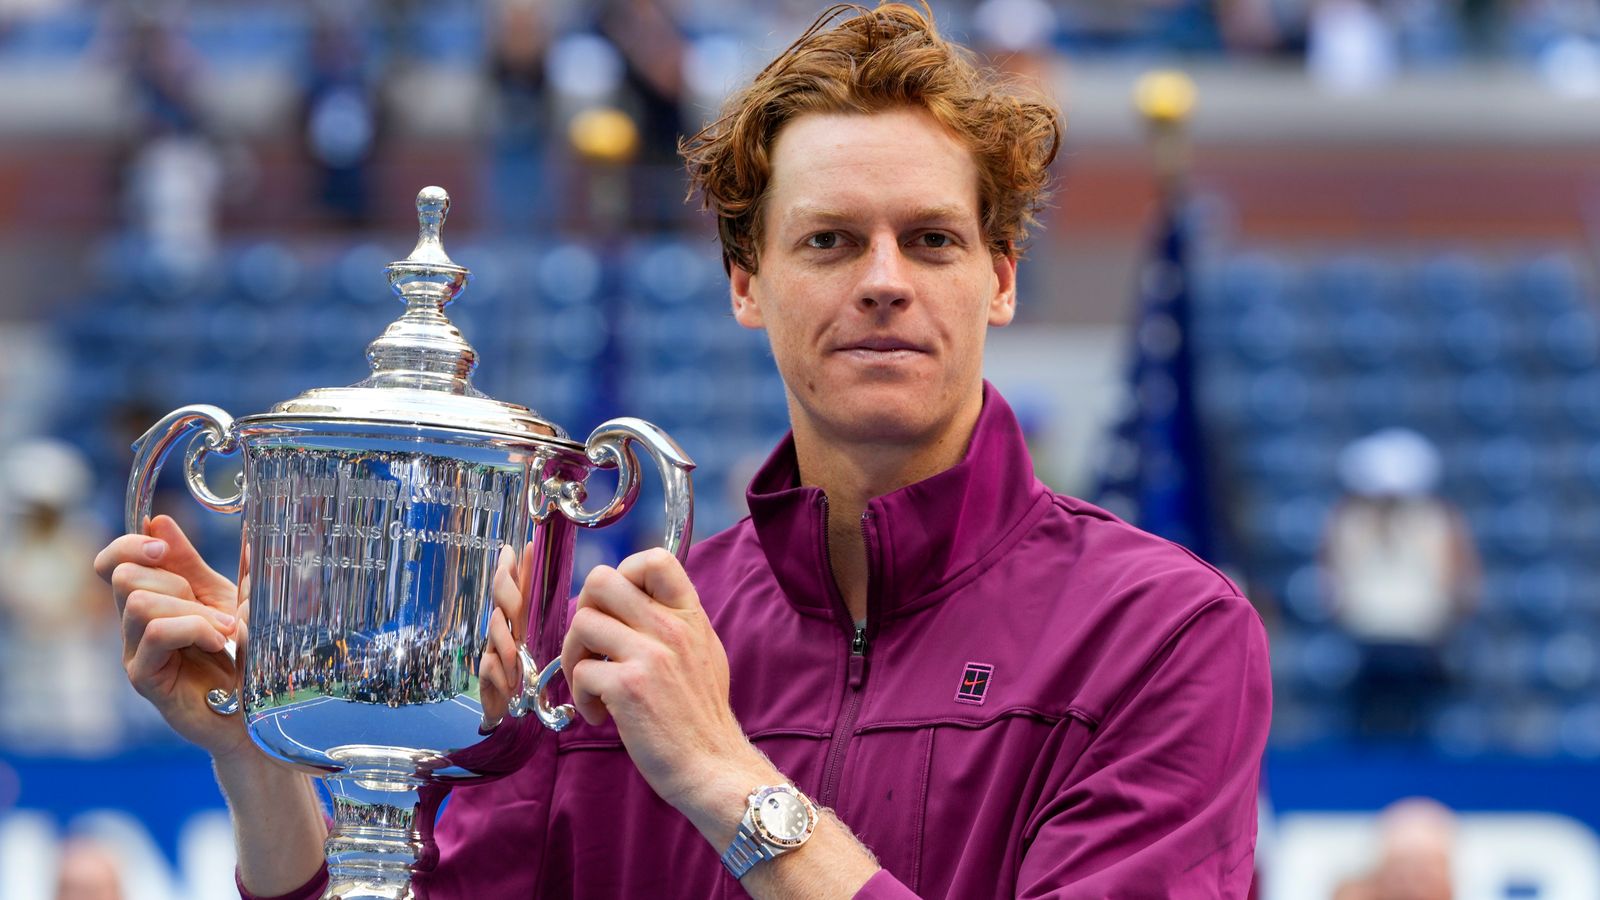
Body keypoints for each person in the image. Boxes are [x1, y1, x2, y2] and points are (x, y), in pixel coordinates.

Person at [93, 5, 1271, 897]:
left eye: (930, 239)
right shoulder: (614, 650)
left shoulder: (1160, 634)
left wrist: (724, 780)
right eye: (826, 240)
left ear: (999, 278)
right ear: (746, 283)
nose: (880, 282)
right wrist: (259, 754)